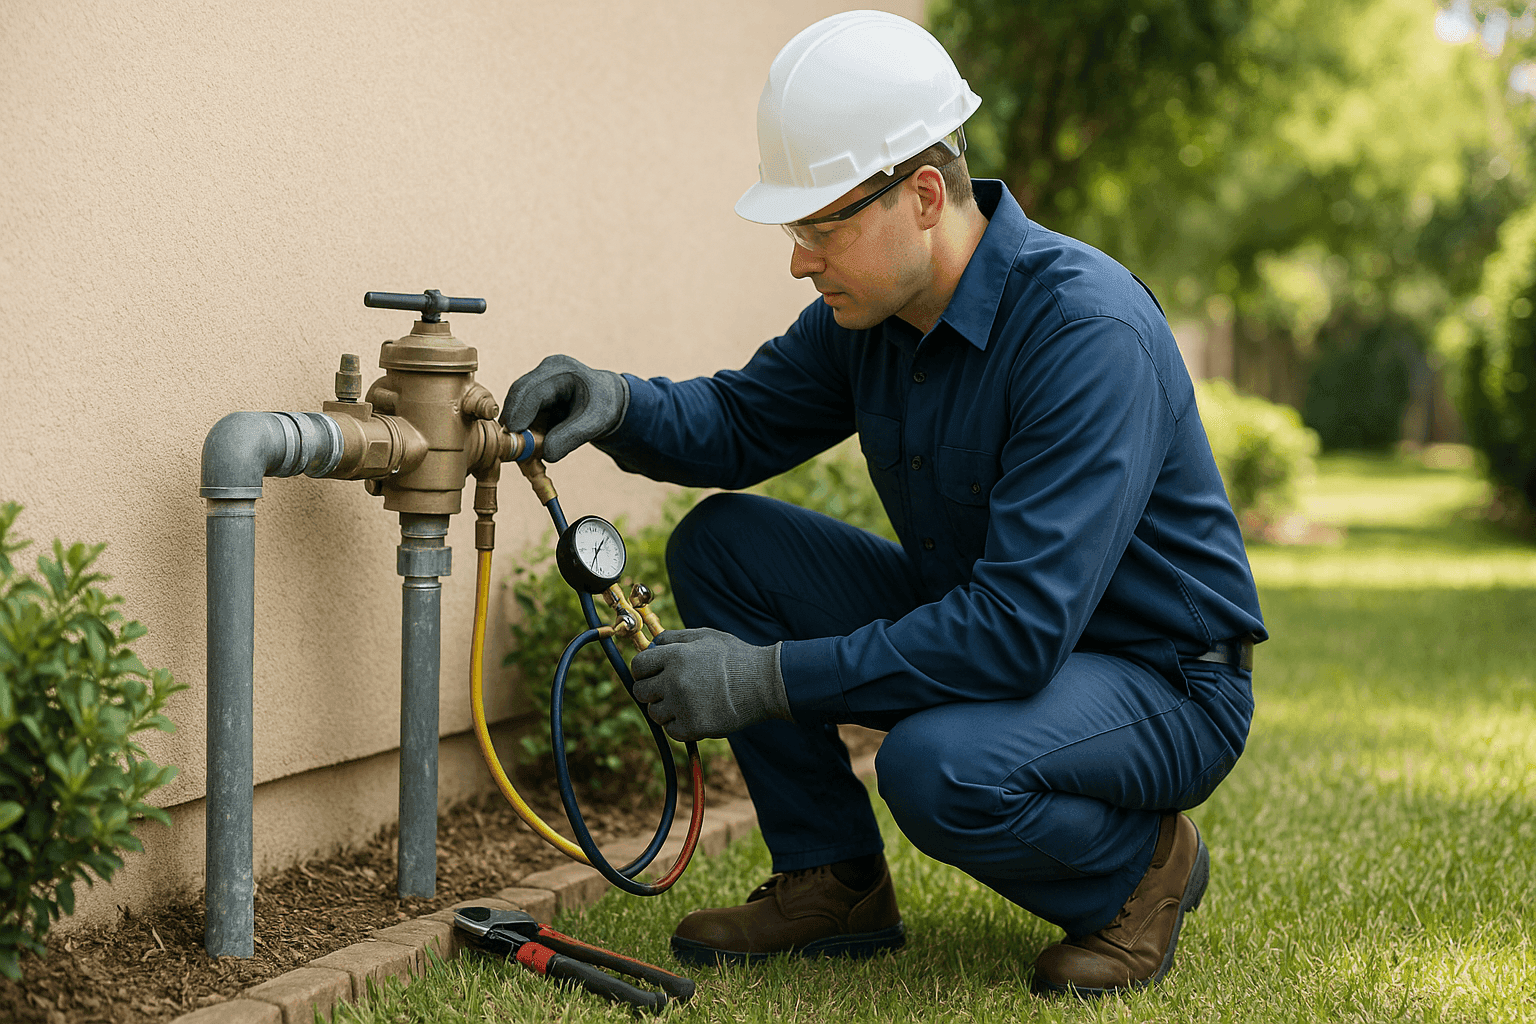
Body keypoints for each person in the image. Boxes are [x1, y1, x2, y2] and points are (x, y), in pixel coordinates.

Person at [500, 10, 1264, 998]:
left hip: (1157, 677)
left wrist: (764, 679)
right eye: (797, 230)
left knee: (937, 765)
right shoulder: (878, 316)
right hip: (1000, 627)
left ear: (925, 195)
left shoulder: (1085, 332)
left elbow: (1017, 631)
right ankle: (833, 883)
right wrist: (612, 400)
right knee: (727, 546)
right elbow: (738, 422)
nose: (800, 260)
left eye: (822, 228)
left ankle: (1142, 869)